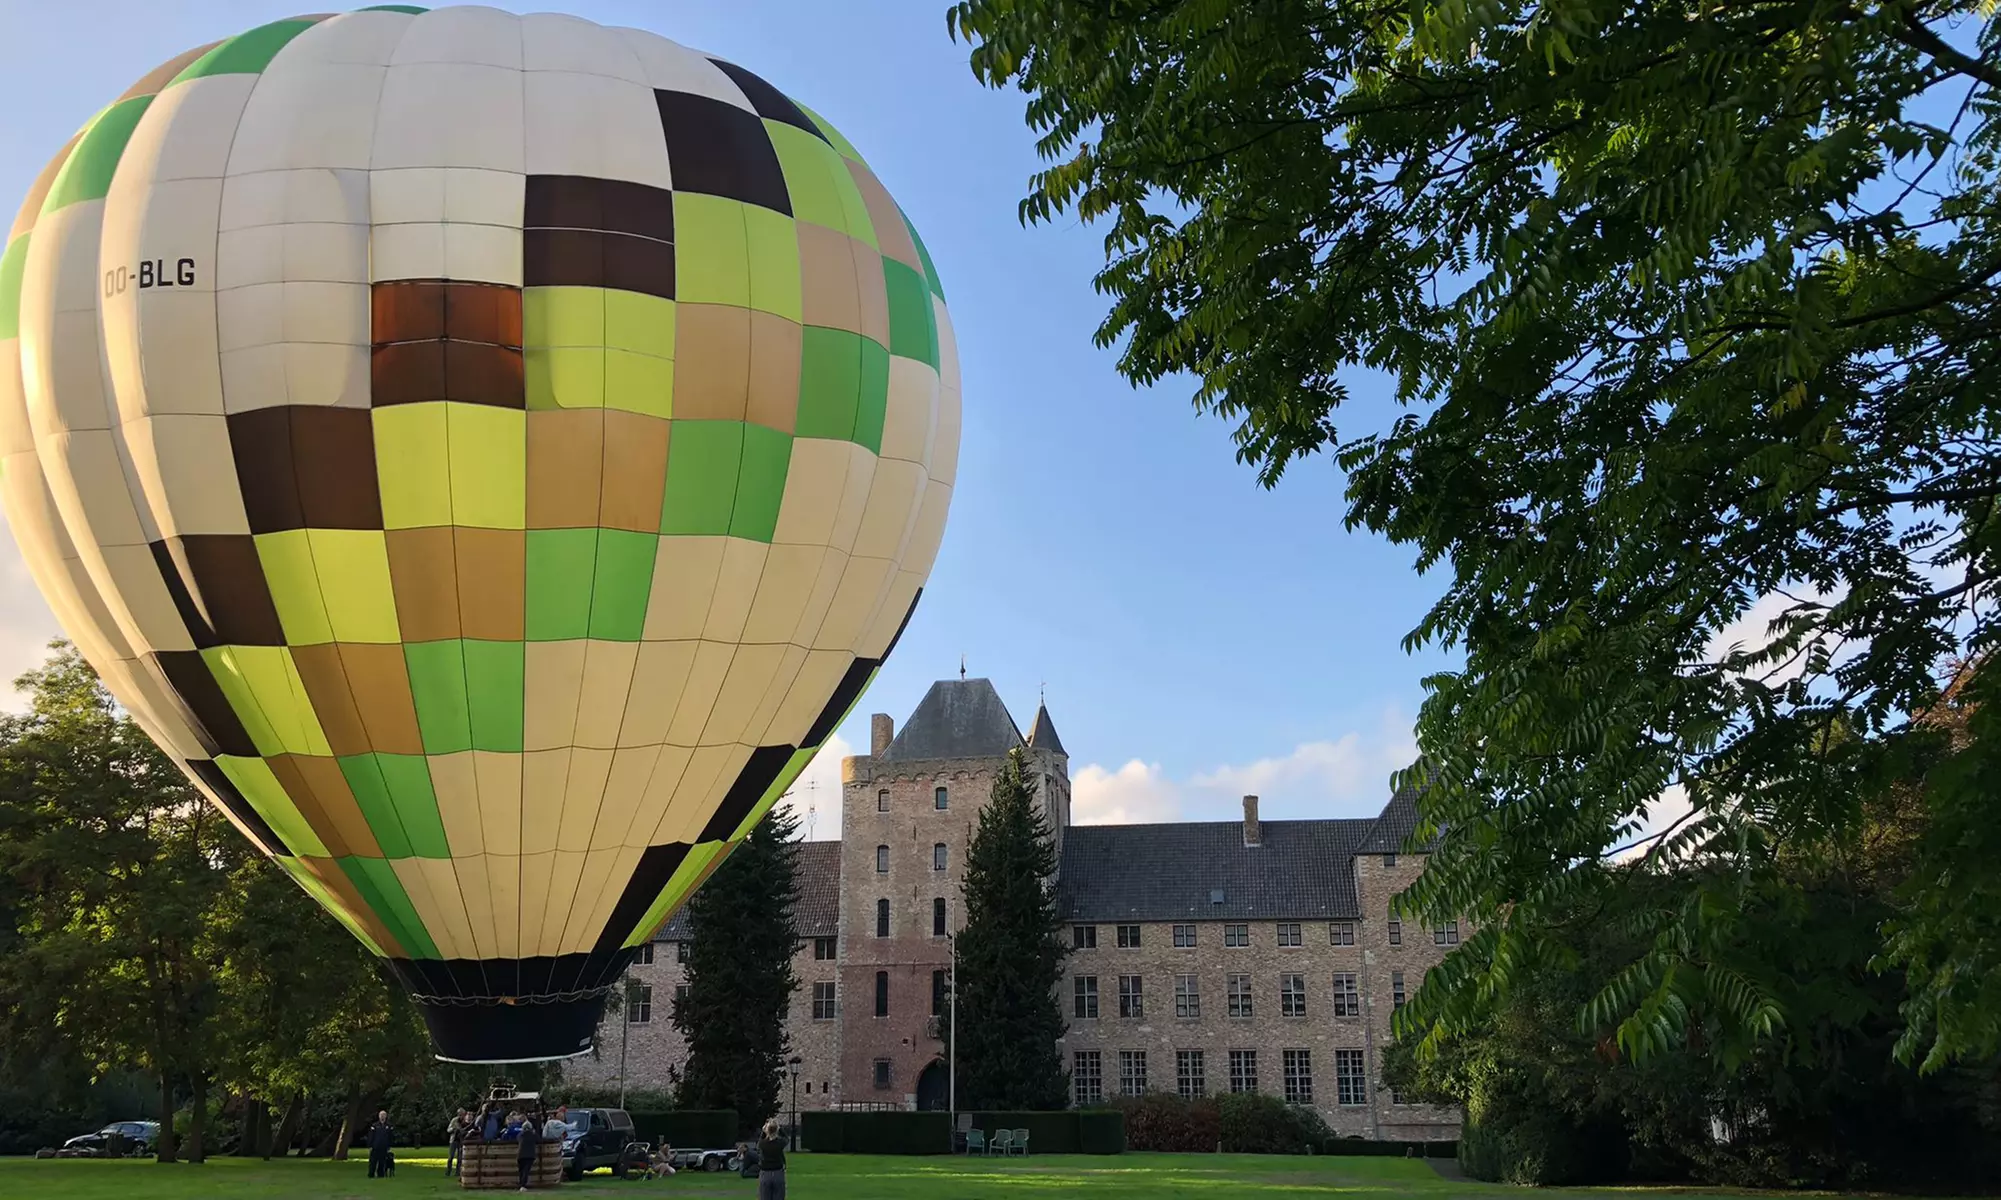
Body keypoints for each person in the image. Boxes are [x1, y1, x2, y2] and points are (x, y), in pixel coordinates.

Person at [756, 1119, 787, 1200]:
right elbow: (786, 1139)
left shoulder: (763, 1144)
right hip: (778, 1172)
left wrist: (763, 1132)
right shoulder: (780, 1143)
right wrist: (780, 1129)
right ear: (776, 1130)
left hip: (765, 1173)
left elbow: (759, 1143)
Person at [515, 1110, 543, 1192]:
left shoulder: (520, 1135)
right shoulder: (533, 1135)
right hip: (530, 1155)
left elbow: (517, 1139)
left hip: (520, 1155)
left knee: (521, 1171)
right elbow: (539, 1140)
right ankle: (523, 1185)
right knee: (526, 1171)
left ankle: (521, 1184)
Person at [365, 1110, 394, 1179]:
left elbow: (391, 1136)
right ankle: (371, 1174)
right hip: (375, 1146)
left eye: (384, 1115)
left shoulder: (389, 1126)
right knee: (373, 1161)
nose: (382, 1116)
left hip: (384, 1146)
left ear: (386, 1116)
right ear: (379, 1116)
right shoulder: (374, 1125)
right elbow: (371, 1136)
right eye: (381, 1115)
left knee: (382, 1161)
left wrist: (389, 1145)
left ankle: (380, 1174)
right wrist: (370, 1145)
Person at [446, 1109, 470, 1176]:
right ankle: (448, 1171)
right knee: (451, 1157)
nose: (462, 1116)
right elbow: (448, 1129)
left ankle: (457, 1172)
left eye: (463, 1114)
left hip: (461, 1141)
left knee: (460, 1158)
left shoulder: (465, 1121)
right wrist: (453, 1129)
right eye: (460, 1114)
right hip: (453, 1141)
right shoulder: (454, 1120)